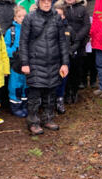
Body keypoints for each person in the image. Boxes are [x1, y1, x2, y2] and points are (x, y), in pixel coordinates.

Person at [20, 0, 69, 135]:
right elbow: (23, 41)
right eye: (43, 1)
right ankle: (33, 122)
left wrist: (64, 63)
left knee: (51, 92)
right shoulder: (29, 17)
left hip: (53, 62)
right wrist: (25, 63)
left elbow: (62, 42)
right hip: (35, 61)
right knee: (35, 95)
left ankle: (48, 118)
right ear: (39, 2)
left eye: (49, 1)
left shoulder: (56, 17)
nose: (46, 3)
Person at [59, 0, 89, 104]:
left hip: (78, 44)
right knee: (66, 70)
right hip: (65, 45)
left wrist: (77, 38)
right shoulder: (61, 8)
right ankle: (66, 93)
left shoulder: (82, 9)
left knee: (77, 69)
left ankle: (75, 92)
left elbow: (86, 25)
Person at [5, 5, 28, 118]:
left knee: (26, 84)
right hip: (16, 62)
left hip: (27, 62)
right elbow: (5, 46)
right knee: (15, 84)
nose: (22, 18)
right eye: (20, 16)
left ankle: (24, 104)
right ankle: (16, 106)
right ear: (15, 18)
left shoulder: (30, 29)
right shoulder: (11, 31)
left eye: (24, 16)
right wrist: (13, 52)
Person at [53, 2, 72, 114]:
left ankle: (59, 99)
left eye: (60, 14)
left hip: (64, 60)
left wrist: (69, 50)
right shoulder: (49, 27)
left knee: (62, 81)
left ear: (64, 16)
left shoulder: (68, 28)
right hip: (52, 59)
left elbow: (75, 41)